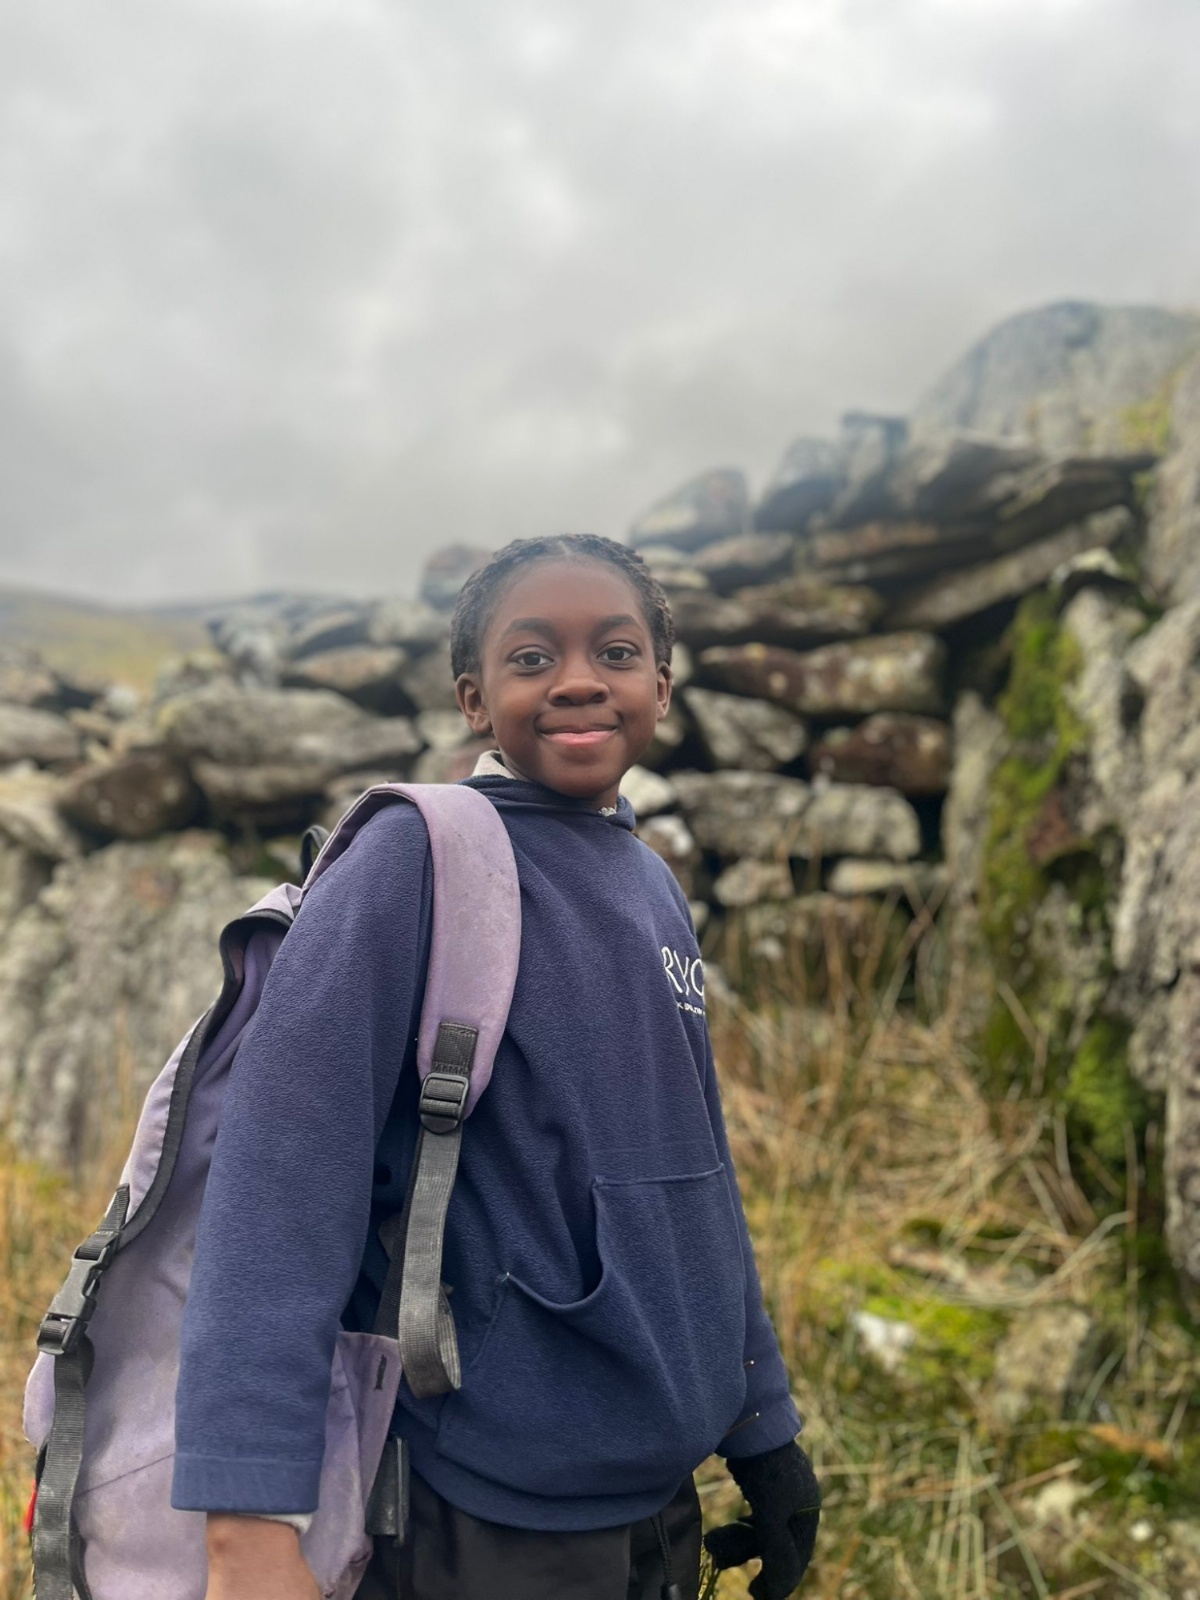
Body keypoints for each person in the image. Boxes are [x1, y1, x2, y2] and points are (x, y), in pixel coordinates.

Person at [173, 533, 820, 1600]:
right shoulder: (413, 857)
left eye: (616, 651)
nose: (578, 680)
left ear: (662, 685)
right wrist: (248, 1527)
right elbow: (279, 1182)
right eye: (531, 657)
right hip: (490, 1505)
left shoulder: (653, 885)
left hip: (660, 1489)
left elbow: (699, 1182)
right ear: (475, 699)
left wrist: (763, 1425)